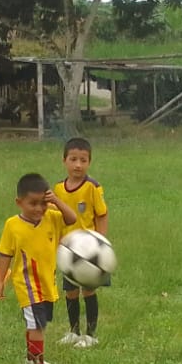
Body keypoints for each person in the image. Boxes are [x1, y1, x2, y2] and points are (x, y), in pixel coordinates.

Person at [0, 173, 78, 364]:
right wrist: (0, 280)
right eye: (33, 203)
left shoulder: (52, 217)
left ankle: (31, 358)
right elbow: (5, 253)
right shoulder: (12, 225)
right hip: (27, 285)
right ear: (19, 202)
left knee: (39, 324)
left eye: (43, 203)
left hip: (47, 283)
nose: (39, 208)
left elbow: (72, 218)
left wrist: (56, 201)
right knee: (37, 325)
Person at [54, 137, 109, 348]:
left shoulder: (92, 187)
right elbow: (55, 217)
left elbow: (102, 215)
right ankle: (74, 331)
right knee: (70, 291)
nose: (78, 165)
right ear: (64, 161)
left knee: (88, 291)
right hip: (68, 250)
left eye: (83, 160)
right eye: (73, 159)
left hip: (88, 250)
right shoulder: (58, 189)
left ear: (89, 162)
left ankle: (91, 335)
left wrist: (100, 243)